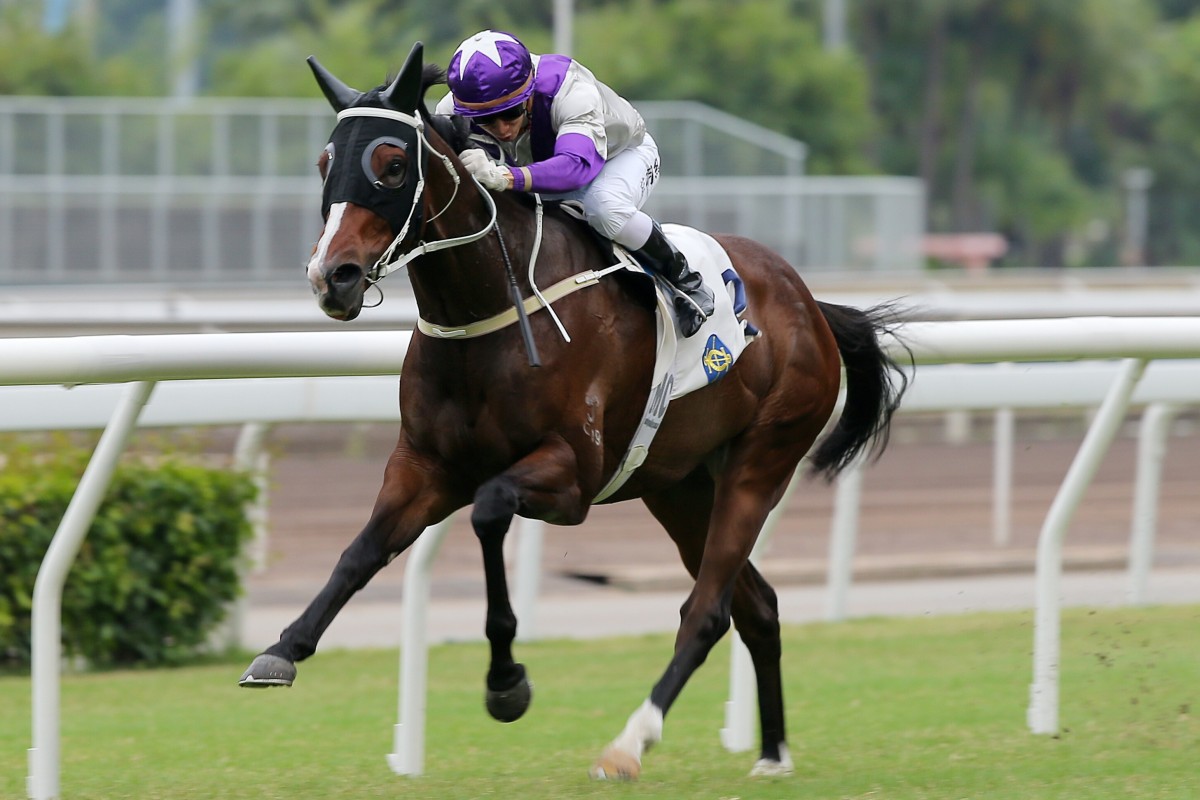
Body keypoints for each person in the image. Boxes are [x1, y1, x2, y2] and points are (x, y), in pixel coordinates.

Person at [435, 29, 715, 338]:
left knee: (604, 208)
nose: (502, 129)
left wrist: (505, 176)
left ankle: (685, 280)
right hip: (539, 170)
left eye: (511, 113)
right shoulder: (453, 111)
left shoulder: (568, 87)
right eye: (488, 120)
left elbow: (576, 167)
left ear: (529, 93)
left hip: (616, 156)